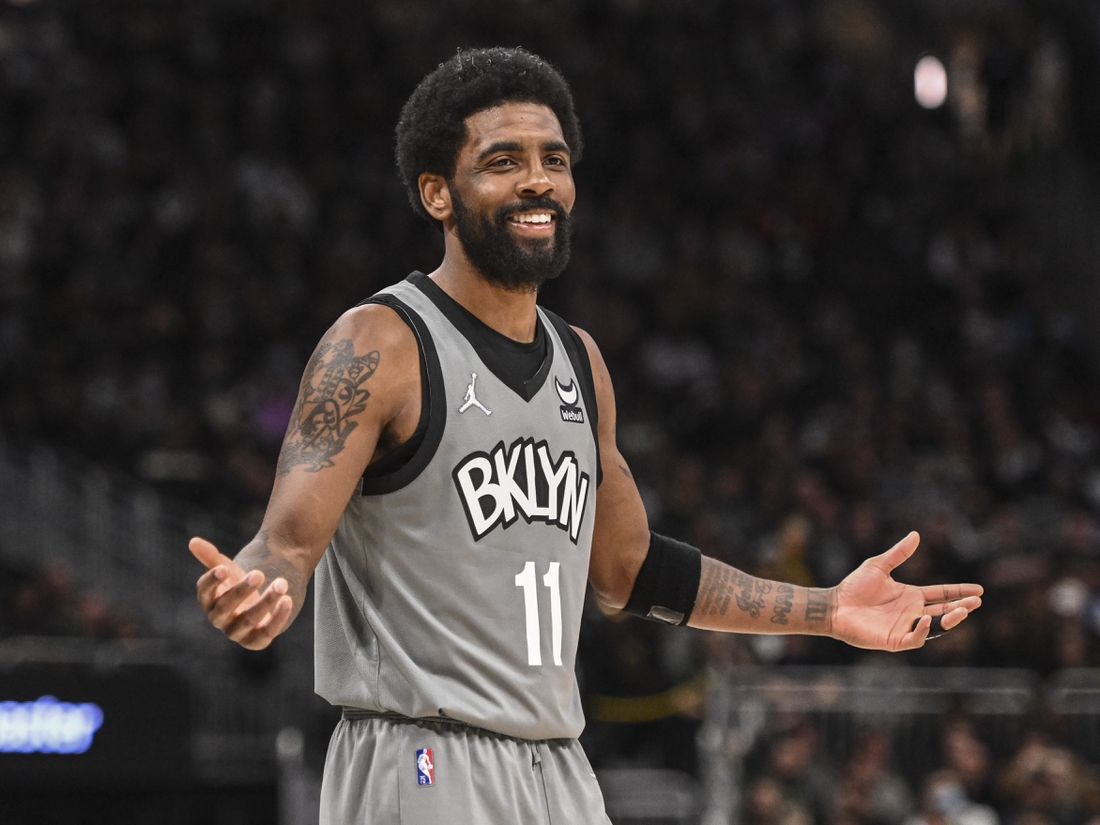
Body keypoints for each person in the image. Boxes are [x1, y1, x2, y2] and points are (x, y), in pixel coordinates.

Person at [189, 47, 983, 824]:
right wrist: (259, 588)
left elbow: (631, 571)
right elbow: (288, 540)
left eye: (554, 159)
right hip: (421, 756)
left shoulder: (580, 361)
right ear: (437, 193)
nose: (539, 179)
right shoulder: (380, 341)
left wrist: (829, 609)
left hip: (555, 762)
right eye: (503, 161)